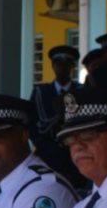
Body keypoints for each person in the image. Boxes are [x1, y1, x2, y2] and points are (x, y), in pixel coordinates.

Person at [31, 44, 81, 182]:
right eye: (58, 64)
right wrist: (43, 145)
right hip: (47, 155)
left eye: (67, 65)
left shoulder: (81, 92)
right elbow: (32, 123)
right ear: (53, 66)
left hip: (74, 155)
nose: (62, 68)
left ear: (72, 67)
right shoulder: (40, 92)